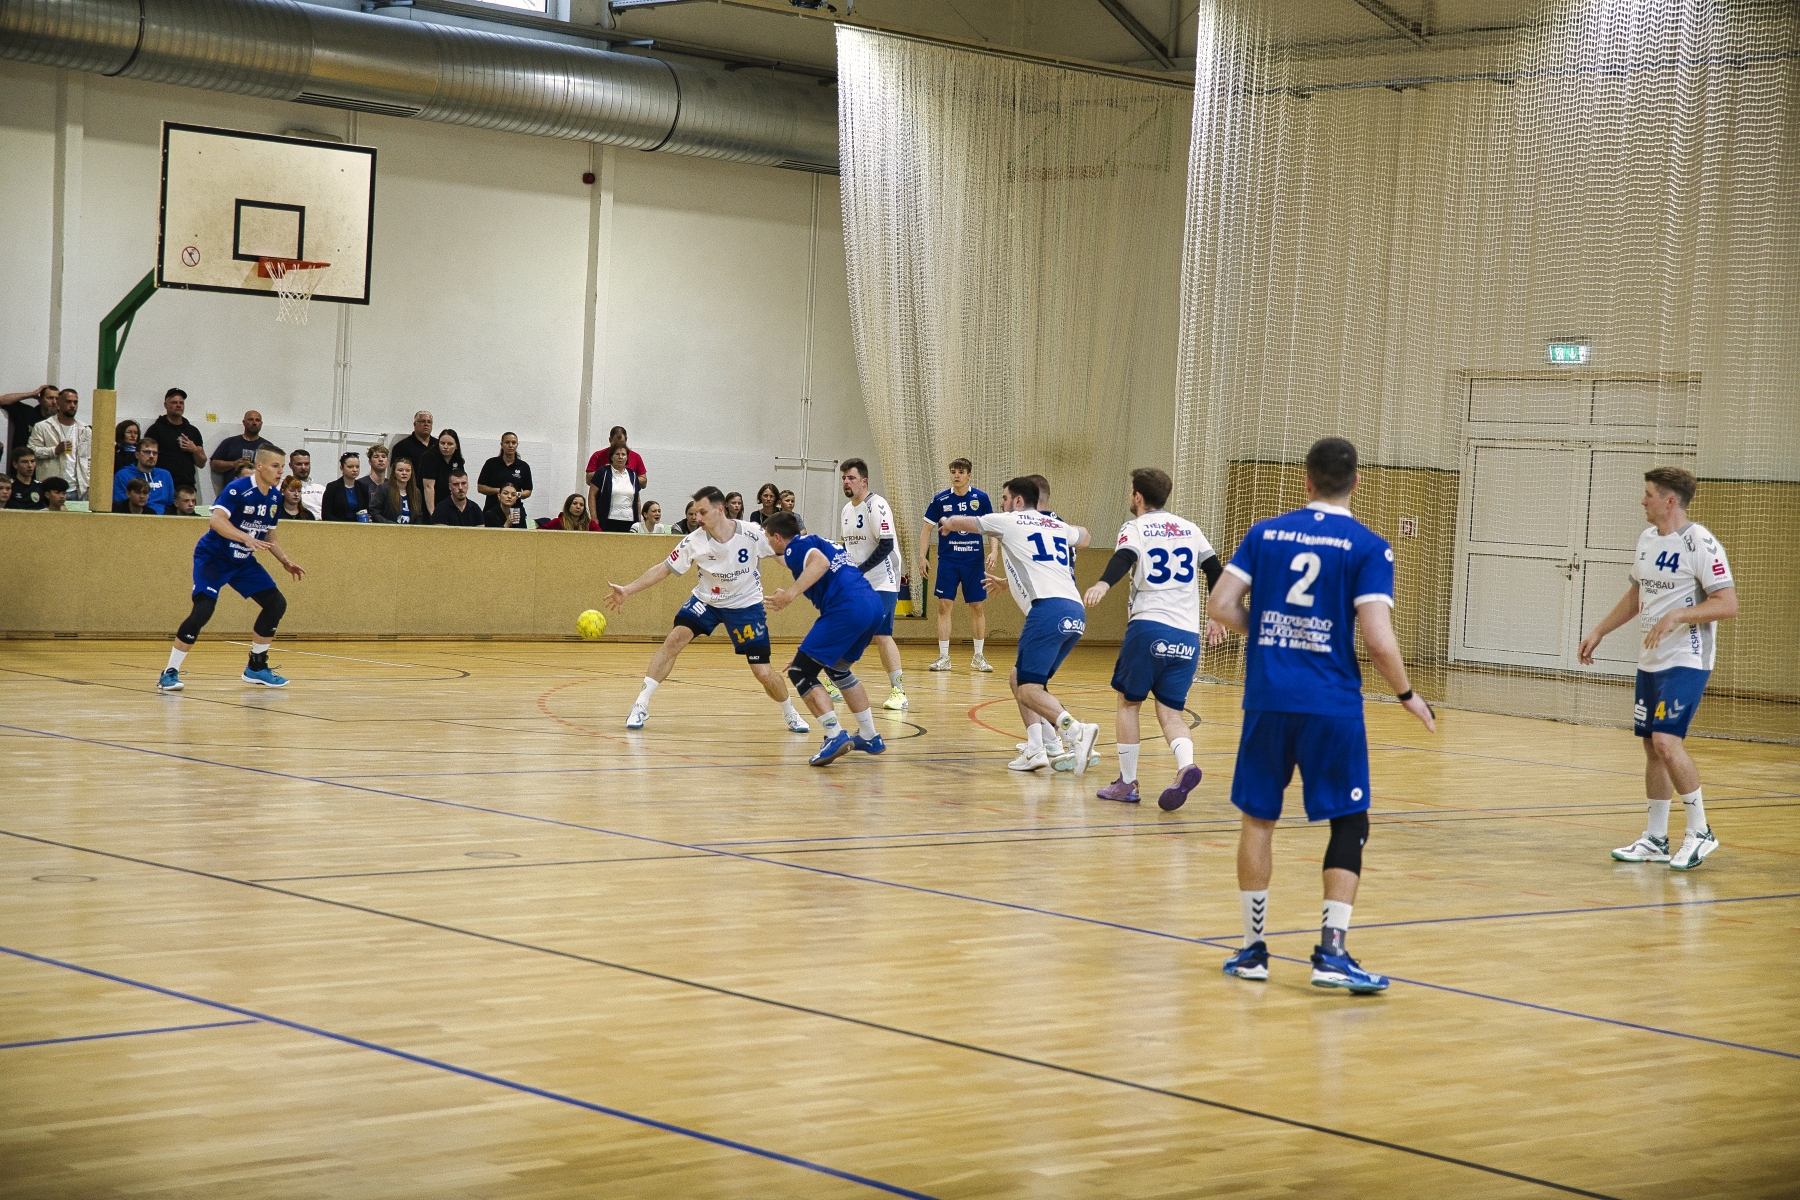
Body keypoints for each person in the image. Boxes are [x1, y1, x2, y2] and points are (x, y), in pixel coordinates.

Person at [1206, 436, 1436, 994]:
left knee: (1258, 819)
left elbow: (1220, 605)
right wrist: (1407, 694)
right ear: (1356, 481)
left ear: (1305, 480)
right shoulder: (1368, 546)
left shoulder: (1264, 534)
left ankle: (1253, 950)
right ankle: (1331, 952)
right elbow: (1377, 638)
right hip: (1331, 704)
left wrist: (1264, 632)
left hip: (1267, 698)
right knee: (1349, 821)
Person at [1579, 466, 1738, 870]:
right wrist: (1599, 630)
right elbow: (1637, 595)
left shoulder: (1700, 543)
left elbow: (1727, 604)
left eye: (1648, 494)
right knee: (1652, 746)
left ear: (1669, 501)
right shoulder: (1647, 540)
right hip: (1650, 661)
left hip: (1687, 660)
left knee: (1667, 742)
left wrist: (1678, 615)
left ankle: (1700, 831)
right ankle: (1655, 839)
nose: (1642, 501)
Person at [604, 486, 810, 734]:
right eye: (695, 512)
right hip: (707, 601)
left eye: (702, 512)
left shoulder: (752, 532)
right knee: (674, 640)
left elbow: (784, 557)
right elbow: (663, 569)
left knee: (763, 672)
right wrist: (627, 589)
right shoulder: (694, 540)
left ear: (719, 510)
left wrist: (809, 576)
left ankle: (790, 712)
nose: (697, 517)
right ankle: (641, 704)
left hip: (745, 605)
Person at [1082, 467, 1226, 808]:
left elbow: (1125, 557)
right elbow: (1215, 570)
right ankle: (1186, 765)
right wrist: (1216, 616)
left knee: (1128, 704)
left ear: (1138, 496)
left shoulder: (1135, 527)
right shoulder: (1190, 529)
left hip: (1149, 627)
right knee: (1172, 712)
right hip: (1187, 635)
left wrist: (1103, 583)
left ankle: (1127, 783)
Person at [942, 476, 1099, 775]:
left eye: (1004, 498)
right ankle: (1045, 745)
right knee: (1023, 680)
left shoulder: (1010, 520)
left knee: (1027, 689)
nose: (1001, 504)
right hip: (1075, 612)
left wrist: (947, 522)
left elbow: (965, 522)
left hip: (1046, 611)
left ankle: (1075, 732)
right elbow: (1086, 537)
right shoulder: (1055, 525)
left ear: (1017, 501)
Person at [157, 443, 304, 692]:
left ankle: (256, 666)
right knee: (203, 610)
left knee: (276, 603)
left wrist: (285, 561)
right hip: (214, 557)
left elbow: (270, 534)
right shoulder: (238, 489)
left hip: (242, 561)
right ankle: (169, 671)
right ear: (260, 466)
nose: (281, 471)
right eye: (275, 466)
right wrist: (245, 537)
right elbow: (216, 521)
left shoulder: (275, 497)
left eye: (282, 466)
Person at [763, 510, 890, 766]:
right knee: (838, 669)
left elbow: (819, 563)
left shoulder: (795, 546)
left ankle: (834, 735)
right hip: (872, 606)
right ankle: (869, 735)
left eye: (767, 538)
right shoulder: (817, 542)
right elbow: (791, 561)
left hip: (848, 608)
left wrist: (788, 595)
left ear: (777, 537)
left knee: (800, 672)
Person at [838, 458, 908, 711]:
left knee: (868, 629)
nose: (846, 482)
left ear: (864, 481)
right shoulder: (846, 510)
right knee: (878, 633)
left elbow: (886, 545)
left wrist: (860, 571)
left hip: (883, 580)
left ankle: (898, 692)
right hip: (860, 581)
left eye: (851, 478)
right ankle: (896, 690)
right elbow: (849, 547)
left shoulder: (876, 505)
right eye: (844, 478)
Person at [921, 457, 995, 673]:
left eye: (961, 472)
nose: (956, 475)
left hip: (974, 562)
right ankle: (944, 657)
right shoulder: (940, 499)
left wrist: (994, 551)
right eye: (953, 471)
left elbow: (992, 528)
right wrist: (922, 556)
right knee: (944, 605)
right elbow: (926, 529)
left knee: (977, 606)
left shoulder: (981, 498)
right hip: (949, 561)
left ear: (969, 475)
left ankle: (978, 656)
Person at [29, 388, 91, 500]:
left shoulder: (84, 429)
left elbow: (89, 459)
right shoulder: (43, 426)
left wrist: (88, 482)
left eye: (75, 402)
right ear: (58, 403)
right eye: (68, 402)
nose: (72, 405)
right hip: (51, 489)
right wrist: (54, 450)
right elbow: (31, 451)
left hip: (78, 489)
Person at [143, 388, 206, 493]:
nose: (178, 405)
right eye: (174, 402)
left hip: (187, 485)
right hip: (162, 484)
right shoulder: (155, 430)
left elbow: (202, 463)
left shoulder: (192, 431)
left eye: (181, 403)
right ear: (165, 405)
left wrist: (194, 450)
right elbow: (145, 458)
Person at [389, 411, 446, 511]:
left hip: (437, 496)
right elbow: (393, 474)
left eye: (429, 422)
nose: (426, 424)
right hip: (412, 496)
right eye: (423, 421)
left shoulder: (438, 446)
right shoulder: (402, 447)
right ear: (415, 424)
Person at [585, 426, 647, 513]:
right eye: (616, 444)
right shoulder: (598, 455)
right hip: (604, 506)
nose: (619, 447)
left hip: (627, 509)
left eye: (622, 444)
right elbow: (588, 480)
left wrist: (626, 474)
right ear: (610, 440)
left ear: (626, 440)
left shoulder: (636, 457)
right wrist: (605, 471)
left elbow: (644, 483)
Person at [209, 410, 272, 494]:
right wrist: (234, 464)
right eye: (250, 419)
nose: (254, 423)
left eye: (257, 420)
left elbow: (274, 470)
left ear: (261, 423)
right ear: (244, 422)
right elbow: (214, 464)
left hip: (258, 493)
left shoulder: (268, 447)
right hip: (232, 493)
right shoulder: (230, 442)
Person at [478, 432, 533, 521]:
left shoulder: (523, 466)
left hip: (515, 509)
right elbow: (480, 487)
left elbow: (528, 491)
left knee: (518, 529)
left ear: (517, 445)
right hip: (492, 508)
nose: (510, 445)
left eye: (513, 443)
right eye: (507, 442)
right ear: (501, 445)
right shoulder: (491, 463)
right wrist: (500, 491)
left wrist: (515, 494)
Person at [2, 383, 55, 471]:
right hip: (21, 469)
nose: (54, 402)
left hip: (45, 469)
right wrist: (31, 394)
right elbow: (2, 400)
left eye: (57, 399)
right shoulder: (26, 413)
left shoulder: (59, 422)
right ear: (40, 400)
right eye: (50, 398)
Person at [113, 440, 175, 513]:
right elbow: (120, 504)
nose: (151, 456)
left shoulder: (165, 475)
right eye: (147, 452)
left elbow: (171, 504)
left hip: (162, 518)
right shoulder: (122, 475)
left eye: (155, 453)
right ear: (137, 455)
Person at [592, 443, 642, 532]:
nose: (620, 457)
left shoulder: (633, 475)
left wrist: (639, 520)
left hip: (629, 521)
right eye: (617, 454)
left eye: (623, 454)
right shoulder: (602, 472)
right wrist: (594, 517)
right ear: (611, 457)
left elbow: (637, 500)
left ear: (627, 458)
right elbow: (592, 495)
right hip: (608, 521)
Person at [374, 457, 427, 525]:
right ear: (394, 472)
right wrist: (389, 524)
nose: (404, 473)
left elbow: (418, 515)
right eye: (400, 470)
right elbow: (374, 511)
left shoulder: (416, 492)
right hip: (389, 529)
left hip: (409, 530)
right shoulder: (383, 489)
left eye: (407, 471)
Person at [322, 452, 372, 522]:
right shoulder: (332, 487)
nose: (354, 470)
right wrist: (342, 525)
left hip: (358, 526)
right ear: (341, 468)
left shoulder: (363, 487)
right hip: (337, 525)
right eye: (350, 467)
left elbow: (366, 510)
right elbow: (326, 514)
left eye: (357, 467)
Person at [287, 449, 325, 519]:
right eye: (299, 464)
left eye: (306, 464)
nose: (303, 467)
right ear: (290, 465)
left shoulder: (322, 488)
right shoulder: (287, 488)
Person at [358, 443, 390, 508]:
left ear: (388, 461)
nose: (381, 459)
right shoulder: (361, 484)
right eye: (376, 457)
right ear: (370, 462)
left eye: (384, 457)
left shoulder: (392, 485)